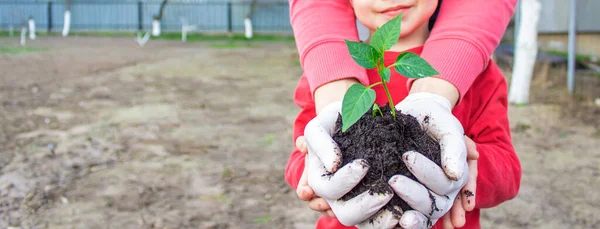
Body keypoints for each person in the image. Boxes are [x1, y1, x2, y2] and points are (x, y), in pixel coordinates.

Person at [284, 0, 522, 228]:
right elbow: (303, 151)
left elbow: (507, 172)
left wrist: (460, 171)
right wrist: (315, 176)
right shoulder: (326, 79)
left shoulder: (478, 74)